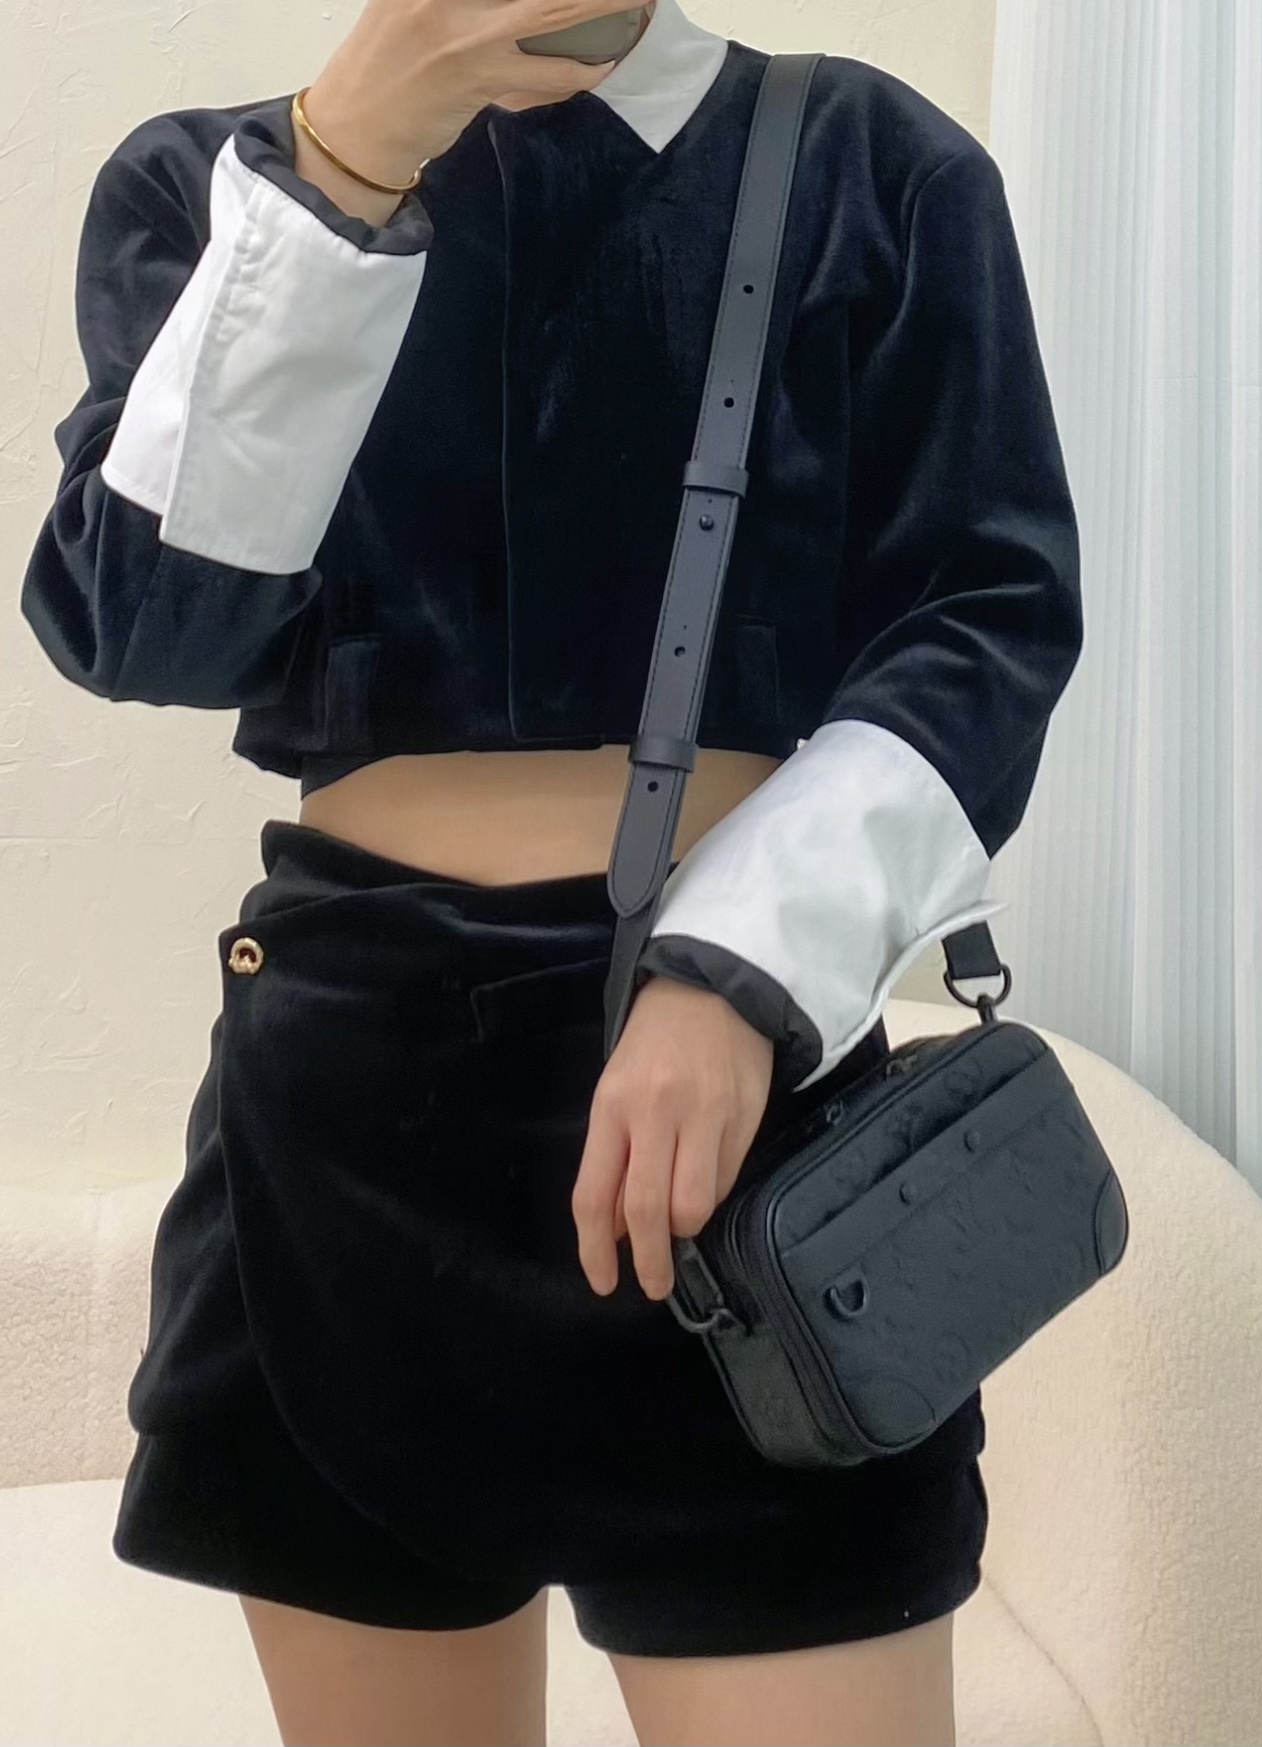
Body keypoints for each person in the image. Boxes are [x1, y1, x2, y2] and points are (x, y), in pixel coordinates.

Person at [19, 1, 1082, 1741]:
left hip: (752, 1138)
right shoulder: (210, 188)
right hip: (343, 1140)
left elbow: (983, 623)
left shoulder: (876, 169)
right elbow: (148, 626)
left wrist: (730, 976)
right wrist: (343, 177)